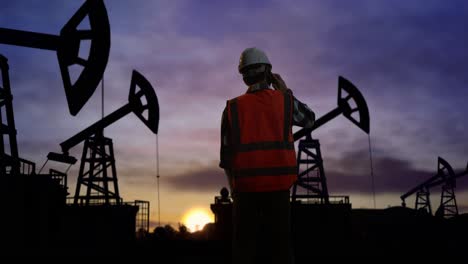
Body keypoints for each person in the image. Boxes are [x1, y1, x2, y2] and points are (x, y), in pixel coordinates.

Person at [219, 47, 315, 264]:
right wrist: (286, 91)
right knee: (281, 250)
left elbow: (226, 158)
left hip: (245, 192)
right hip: (279, 190)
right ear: (269, 72)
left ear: (244, 76)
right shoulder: (285, 102)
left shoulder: (232, 108)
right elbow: (309, 119)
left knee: (244, 252)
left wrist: (234, 190)